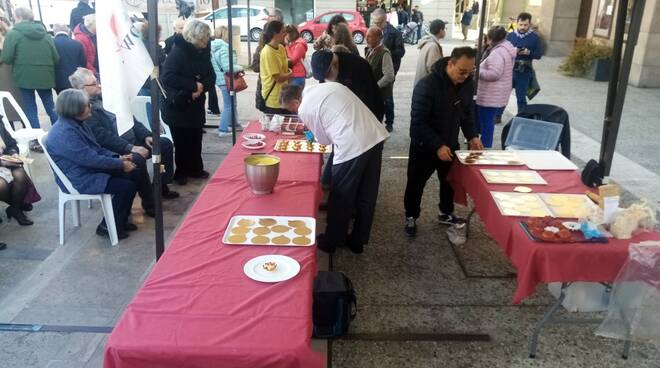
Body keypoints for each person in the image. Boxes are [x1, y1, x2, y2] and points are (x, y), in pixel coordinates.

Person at [280, 83, 389, 254]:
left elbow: (323, 141)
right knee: (367, 195)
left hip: (352, 145)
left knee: (341, 194)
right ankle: (358, 240)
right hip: (374, 136)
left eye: (292, 109)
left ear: (296, 100)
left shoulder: (305, 107)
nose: (295, 113)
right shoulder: (325, 86)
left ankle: (332, 240)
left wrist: (312, 132)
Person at [69, 67, 179, 217]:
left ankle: (161, 186)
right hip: (116, 148)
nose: (100, 85)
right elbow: (103, 138)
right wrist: (130, 147)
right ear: (81, 89)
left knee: (164, 144)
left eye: (98, 81)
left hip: (132, 139)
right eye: (94, 84)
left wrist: (147, 135)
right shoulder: (84, 109)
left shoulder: (109, 99)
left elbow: (131, 119)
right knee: (138, 160)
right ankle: (149, 202)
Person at [403, 47, 484, 237]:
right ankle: (411, 216)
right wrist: (437, 145)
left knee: (449, 182)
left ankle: (446, 212)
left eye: (470, 72)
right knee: (416, 183)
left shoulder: (467, 84)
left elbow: (467, 113)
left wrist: (472, 135)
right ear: (450, 64)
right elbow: (418, 122)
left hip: (450, 143)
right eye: (461, 71)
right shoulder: (427, 85)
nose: (465, 76)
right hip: (424, 145)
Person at [45, 89, 138, 240]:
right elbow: (90, 159)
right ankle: (106, 226)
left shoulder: (78, 123)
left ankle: (117, 221)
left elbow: (96, 149)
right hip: (79, 178)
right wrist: (120, 164)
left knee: (131, 174)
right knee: (127, 187)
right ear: (75, 109)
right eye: (87, 105)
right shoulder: (64, 133)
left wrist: (119, 158)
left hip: (87, 169)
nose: (91, 107)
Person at [311, 50, 384, 187]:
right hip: (348, 116)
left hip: (369, 113)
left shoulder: (357, 67)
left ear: (334, 65)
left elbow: (367, 101)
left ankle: (355, 190)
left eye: (327, 75)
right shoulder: (325, 69)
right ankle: (329, 181)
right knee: (342, 147)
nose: (325, 78)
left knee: (361, 155)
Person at [160, 19, 215, 185]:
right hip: (179, 106)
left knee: (196, 138)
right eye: (205, 36)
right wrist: (193, 86)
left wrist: (201, 87)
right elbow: (167, 77)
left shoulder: (203, 52)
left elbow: (211, 76)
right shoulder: (178, 52)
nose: (207, 39)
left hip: (196, 104)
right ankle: (182, 171)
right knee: (182, 141)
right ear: (195, 37)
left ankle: (195, 168)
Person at [0, 7, 59, 140]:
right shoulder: (45, 34)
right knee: (50, 106)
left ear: (19, 17)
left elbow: (7, 58)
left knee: (30, 108)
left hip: (24, 77)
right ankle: (60, 134)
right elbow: (56, 57)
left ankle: (36, 139)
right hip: (45, 76)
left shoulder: (13, 34)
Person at [476, 26, 516, 148]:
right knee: (488, 121)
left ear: (490, 38)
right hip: (499, 93)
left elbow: (494, 74)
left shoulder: (497, 53)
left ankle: (485, 146)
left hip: (490, 95)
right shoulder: (507, 49)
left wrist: (477, 72)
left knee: (486, 122)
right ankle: (484, 144)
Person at [370, 8, 404, 132]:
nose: (376, 25)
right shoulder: (374, 31)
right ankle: (376, 120)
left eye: (378, 22)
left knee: (387, 96)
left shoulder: (394, 33)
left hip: (390, 70)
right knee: (376, 94)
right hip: (375, 69)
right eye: (374, 22)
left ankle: (389, 122)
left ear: (385, 20)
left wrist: (386, 53)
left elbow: (401, 51)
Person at [506, 12, 543, 112]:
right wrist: (514, 51)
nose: (522, 27)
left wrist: (529, 52)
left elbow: (539, 55)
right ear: (517, 23)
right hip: (509, 70)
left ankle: (521, 117)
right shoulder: (510, 35)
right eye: (521, 24)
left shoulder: (535, 38)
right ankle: (497, 116)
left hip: (524, 71)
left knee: (521, 98)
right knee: (503, 95)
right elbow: (504, 51)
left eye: (525, 25)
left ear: (529, 24)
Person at [211, 25, 243, 136]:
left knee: (232, 104)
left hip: (221, 80)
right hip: (226, 80)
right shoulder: (224, 47)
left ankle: (234, 124)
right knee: (229, 105)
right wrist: (240, 68)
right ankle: (223, 129)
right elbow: (227, 67)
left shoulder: (214, 47)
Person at [0, 117, 32, 226]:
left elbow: (10, 143)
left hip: (4, 159)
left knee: (20, 175)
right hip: (2, 163)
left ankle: (15, 208)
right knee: (1, 185)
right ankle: (18, 206)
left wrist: (13, 152)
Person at [365, 27, 395, 132]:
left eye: (369, 36)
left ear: (378, 38)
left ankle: (389, 124)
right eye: (366, 35)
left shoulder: (384, 53)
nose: (366, 38)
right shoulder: (370, 50)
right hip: (375, 91)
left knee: (387, 107)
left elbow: (389, 75)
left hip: (383, 92)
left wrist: (376, 86)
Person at [259, 20, 291, 115]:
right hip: (273, 100)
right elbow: (278, 78)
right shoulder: (268, 52)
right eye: (283, 32)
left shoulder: (281, 47)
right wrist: (291, 74)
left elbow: (284, 68)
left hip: (284, 95)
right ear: (275, 33)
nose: (285, 34)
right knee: (276, 128)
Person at [52, 24, 87, 94]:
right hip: (75, 80)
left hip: (59, 80)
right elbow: (83, 63)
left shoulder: (52, 43)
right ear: (68, 31)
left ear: (54, 32)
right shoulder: (77, 44)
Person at [414, 19, 446, 85]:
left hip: (422, 85)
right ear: (440, 30)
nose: (445, 31)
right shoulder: (433, 46)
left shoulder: (428, 42)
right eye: (444, 29)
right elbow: (433, 69)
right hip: (427, 87)